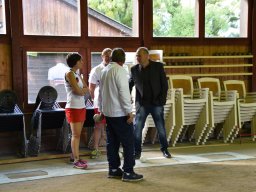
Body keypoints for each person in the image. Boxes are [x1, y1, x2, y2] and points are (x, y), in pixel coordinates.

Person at [98, 48, 143, 182]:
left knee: (112, 143)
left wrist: (101, 111)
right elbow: (124, 93)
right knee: (129, 143)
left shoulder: (104, 70)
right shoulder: (120, 70)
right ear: (122, 60)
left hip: (108, 113)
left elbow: (101, 94)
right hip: (120, 113)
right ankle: (128, 171)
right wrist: (129, 112)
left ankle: (113, 169)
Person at [129, 47, 171, 159]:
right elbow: (129, 85)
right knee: (137, 128)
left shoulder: (158, 66)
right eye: (137, 56)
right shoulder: (134, 69)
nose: (138, 58)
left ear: (147, 56)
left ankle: (165, 149)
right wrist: (126, 99)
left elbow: (164, 85)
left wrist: (161, 101)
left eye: (140, 55)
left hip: (157, 103)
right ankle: (136, 152)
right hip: (142, 104)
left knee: (160, 127)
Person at [64, 53, 89, 169]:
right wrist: (82, 90)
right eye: (81, 60)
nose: (82, 62)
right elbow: (78, 91)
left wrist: (82, 90)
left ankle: (73, 156)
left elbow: (86, 88)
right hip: (73, 107)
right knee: (76, 134)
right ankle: (76, 160)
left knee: (77, 134)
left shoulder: (77, 74)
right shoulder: (69, 73)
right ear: (76, 62)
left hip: (81, 106)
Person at [88, 48, 112, 159]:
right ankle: (95, 148)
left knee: (113, 126)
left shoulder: (116, 68)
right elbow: (91, 88)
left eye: (110, 55)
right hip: (99, 102)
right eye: (106, 55)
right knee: (98, 125)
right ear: (102, 56)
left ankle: (113, 149)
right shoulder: (96, 70)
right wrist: (94, 101)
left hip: (113, 102)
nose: (108, 57)